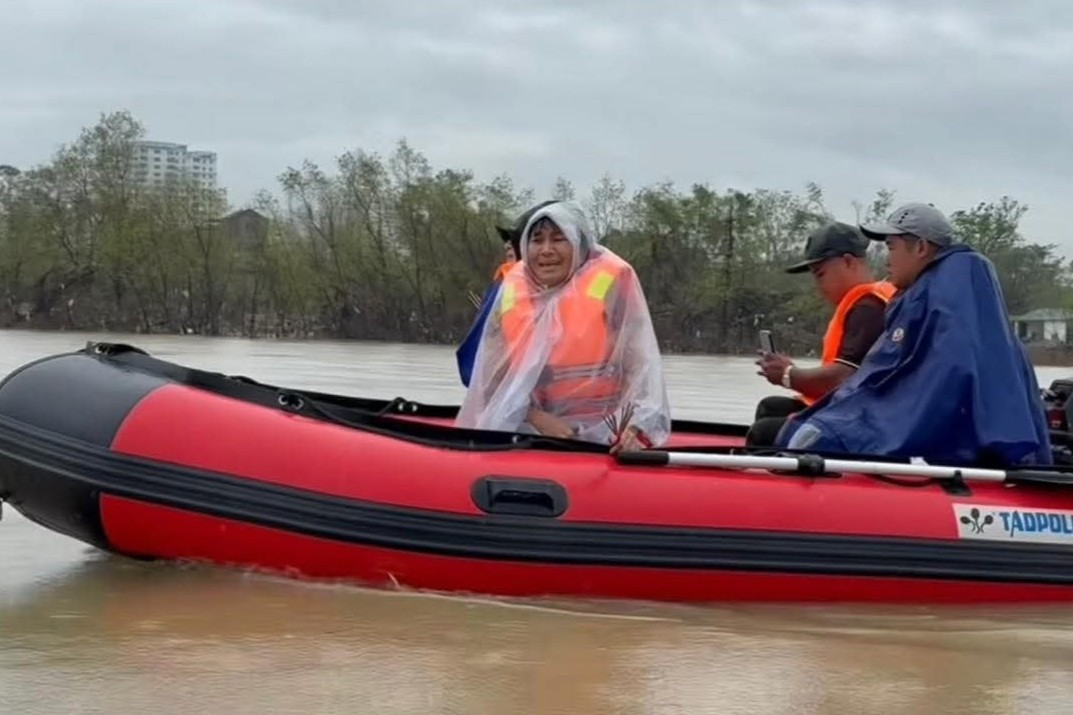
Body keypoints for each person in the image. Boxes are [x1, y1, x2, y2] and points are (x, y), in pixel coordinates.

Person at [776, 202, 1052, 467]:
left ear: (920, 247)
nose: (886, 258)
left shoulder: (937, 301)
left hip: (956, 447)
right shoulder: (952, 294)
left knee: (806, 436)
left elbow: (923, 392)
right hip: (970, 440)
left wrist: (834, 425)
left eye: (891, 247)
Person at [456, 200, 671, 453]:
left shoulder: (612, 284)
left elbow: (643, 370)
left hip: (604, 430)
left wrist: (637, 428)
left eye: (559, 239)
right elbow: (489, 380)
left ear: (579, 246)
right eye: (537, 240)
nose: (546, 250)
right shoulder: (510, 290)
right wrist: (537, 418)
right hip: (525, 426)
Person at [747, 222, 896, 446]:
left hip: (861, 419)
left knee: (764, 432)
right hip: (853, 410)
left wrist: (789, 375)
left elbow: (844, 380)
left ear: (848, 262)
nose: (818, 285)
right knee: (771, 407)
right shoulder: (867, 302)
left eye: (820, 274)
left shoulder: (868, 308)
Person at [456, 201, 555, 387]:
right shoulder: (505, 288)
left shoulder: (583, 288)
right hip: (516, 399)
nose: (508, 246)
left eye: (557, 239)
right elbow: (473, 367)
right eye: (537, 240)